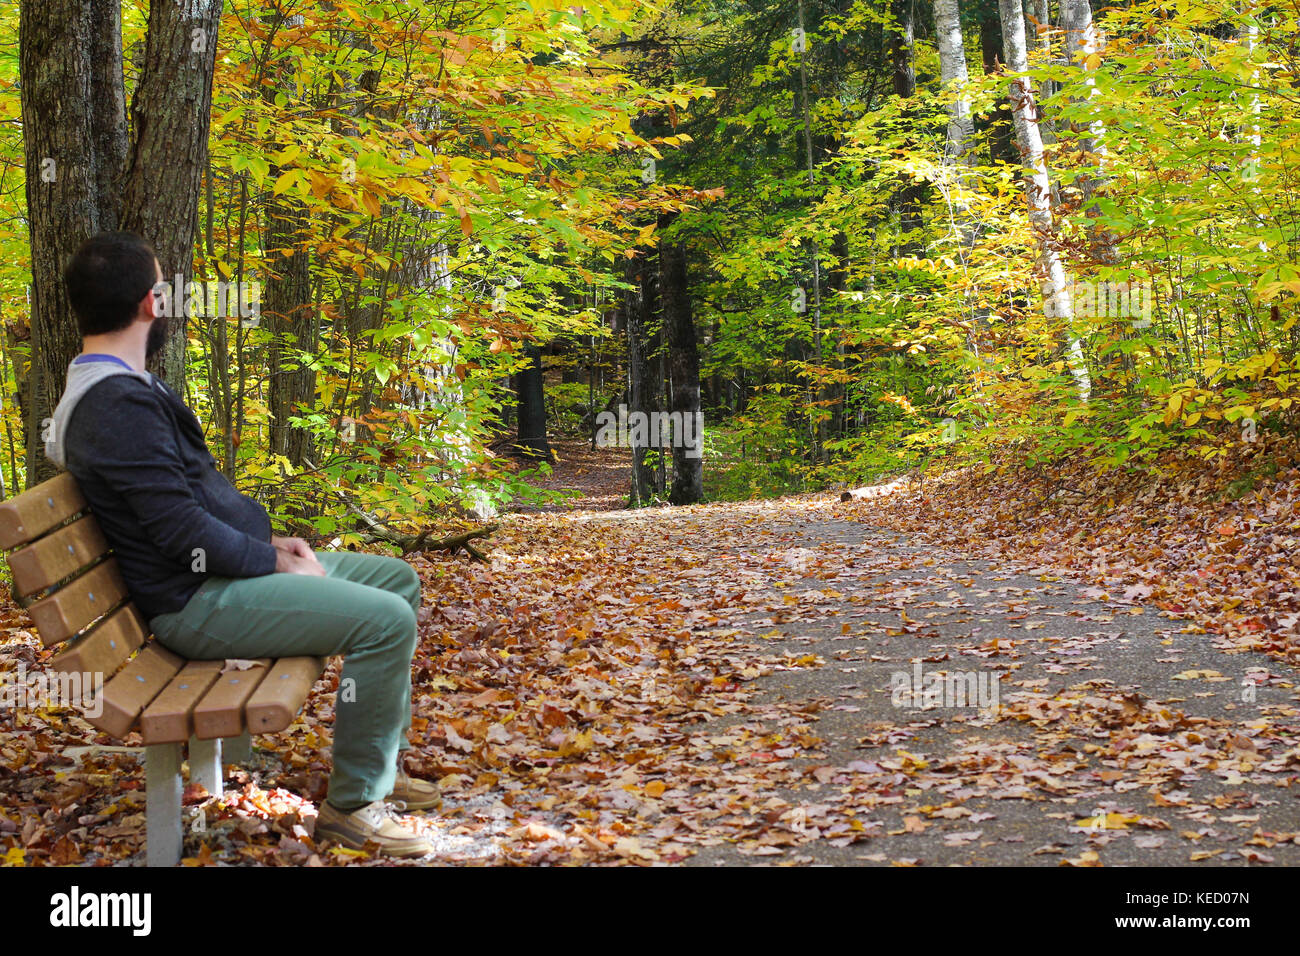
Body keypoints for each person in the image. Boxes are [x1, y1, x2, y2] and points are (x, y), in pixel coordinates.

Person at [45, 231, 437, 858]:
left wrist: (273, 543)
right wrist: (274, 562)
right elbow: (182, 535)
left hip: (215, 578)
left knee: (395, 581)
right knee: (386, 621)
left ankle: (376, 768)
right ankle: (354, 806)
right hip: (192, 604)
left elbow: (193, 506)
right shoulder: (115, 405)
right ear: (152, 304)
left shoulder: (123, 386)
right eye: (166, 287)